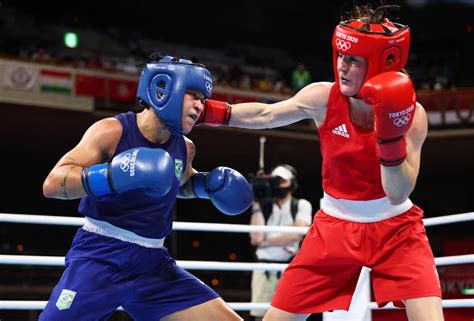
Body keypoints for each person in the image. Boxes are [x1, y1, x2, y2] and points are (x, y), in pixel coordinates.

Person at [198, 4, 444, 321]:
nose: (342, 66)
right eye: (340, 56)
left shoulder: (412, 115)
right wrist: (210, 112)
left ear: (384, 63)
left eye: (353, 60)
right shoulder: (323, 97)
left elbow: (397, 192)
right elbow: (265, 114)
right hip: (333, 228)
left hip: (397, 230)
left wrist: (389, 135)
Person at [40, 53, 253, 321]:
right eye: (194, 95)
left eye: (203, 99)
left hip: (153, 265)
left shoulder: (185, 148)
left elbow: (178, 183)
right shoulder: (112, 131)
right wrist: (115, 174)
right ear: (164, 89)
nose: (201, 106)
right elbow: (53, 183)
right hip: (100, 257)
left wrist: (206, 186)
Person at [249, 164, 312, 320]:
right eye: (275, 180)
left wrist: (267, 241)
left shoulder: (301, 205)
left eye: (281, 180)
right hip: (263, 269)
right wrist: (256, 204)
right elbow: (256, 239)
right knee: (260, 316)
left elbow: (297, 234)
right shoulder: (264, 205)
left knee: (290, 315)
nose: (278, 184)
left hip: (289, 268)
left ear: (291, 182)